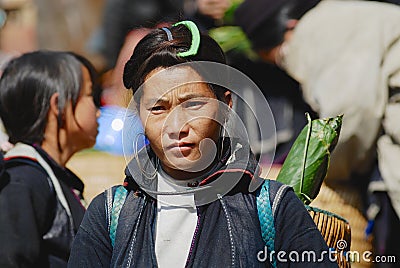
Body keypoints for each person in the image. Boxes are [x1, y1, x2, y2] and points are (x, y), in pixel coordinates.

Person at [68, 21, 336, 267]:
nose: (176, 127)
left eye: (193, 104)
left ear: (226, 105)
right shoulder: (110, 214)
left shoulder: (273, 208)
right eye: (158, 109)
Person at [235, 0, 400, 263]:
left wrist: (328, 170)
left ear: (289, 28)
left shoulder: (316, 29)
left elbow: (351, 111)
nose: (285, 63)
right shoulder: (346, 13)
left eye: (279, 56)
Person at [0, 50, 101, 267]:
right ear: (58, 106)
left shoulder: (49, 177)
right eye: (90, 95)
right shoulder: (23, 181)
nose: (98, 111)